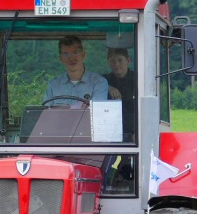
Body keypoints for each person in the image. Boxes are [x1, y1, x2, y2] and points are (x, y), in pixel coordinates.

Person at [44, 36, 109, 106]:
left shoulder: (99, 83)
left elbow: (98, 113)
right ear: (60, 58)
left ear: (83, 55)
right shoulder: (52, 85)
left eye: (75, 53)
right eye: (66, 54)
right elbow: (46, 113)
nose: (71, 58)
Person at [104, 46, 137, 181]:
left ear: (128, 61)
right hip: (110, 131)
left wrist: (138, 132)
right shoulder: (104, 80)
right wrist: (108, 87)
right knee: (106, 162)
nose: (116, 64)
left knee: (128, 165)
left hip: (132, 130)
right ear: (108, 62)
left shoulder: (138, 79)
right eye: (112, 61)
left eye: (120, 60)